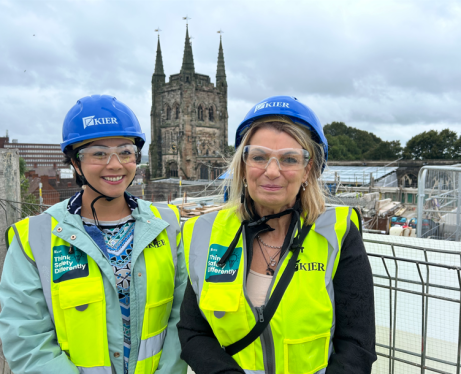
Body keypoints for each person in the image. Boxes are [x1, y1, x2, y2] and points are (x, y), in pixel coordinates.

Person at [178, 96, 377, 374]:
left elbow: (357, 344)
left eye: (289, 159)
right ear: (243, 166)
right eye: (259, 157)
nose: (272, 171)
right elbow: (193, 331)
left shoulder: (339, 233)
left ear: (308, 169)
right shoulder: (205, 232)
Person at [0, 95, 188, 374]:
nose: (115, 165)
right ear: (75, 162)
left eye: (125, 152)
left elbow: (182, 318)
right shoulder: (34, 237)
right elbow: (25, 337)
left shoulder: (167, 223)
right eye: (98, 153)